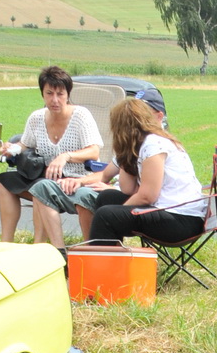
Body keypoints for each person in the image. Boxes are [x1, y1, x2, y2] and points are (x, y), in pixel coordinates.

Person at [0, 65, 101, 244]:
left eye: (60, 94)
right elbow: (25, 143)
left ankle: (42, 244)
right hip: (43, 174)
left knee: (41, 187)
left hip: (75, 178)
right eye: (49, 93)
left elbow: (94, 150)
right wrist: (12, 149)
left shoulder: (81, 116)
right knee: (5, 181)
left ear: (68, 94)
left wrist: (66, 156)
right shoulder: (36, 118)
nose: (55, 100)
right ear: (42, 94)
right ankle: (6, 242)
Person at [87, 98, 205, 246]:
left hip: (181, 220)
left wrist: (118, 214)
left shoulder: (153, 145)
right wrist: (125, 152)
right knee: (107, 197)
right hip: (169, 211)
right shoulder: (144, 144)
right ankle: (114, 257)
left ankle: (100, 266)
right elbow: (128, 189)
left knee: (106, 216)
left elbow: (147, 196)